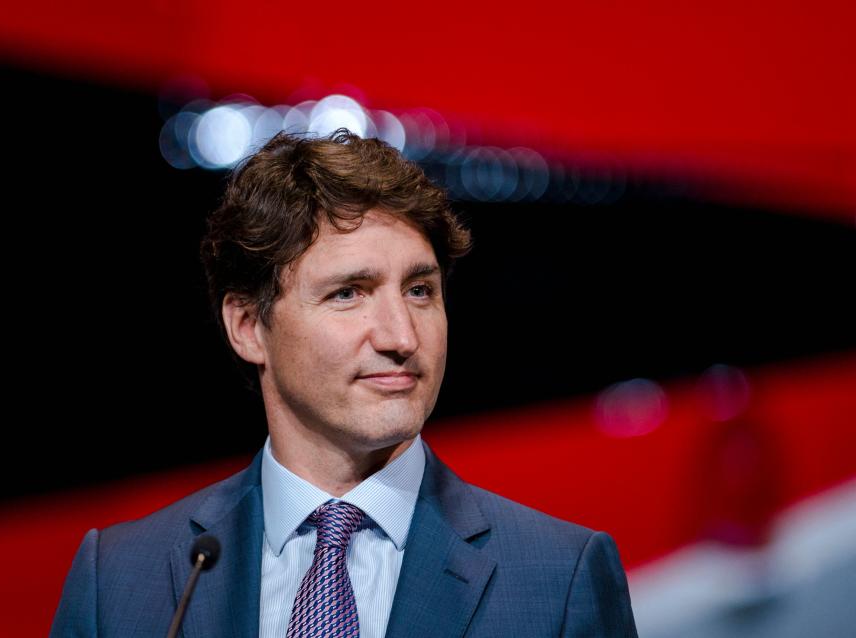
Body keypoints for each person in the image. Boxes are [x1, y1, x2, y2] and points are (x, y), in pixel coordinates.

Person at [50, 129, 638, 637]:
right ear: (249, 326)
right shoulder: (122, 579)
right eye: (348, 293)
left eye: (419, 290)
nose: (401, 336)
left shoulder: (558, 577)